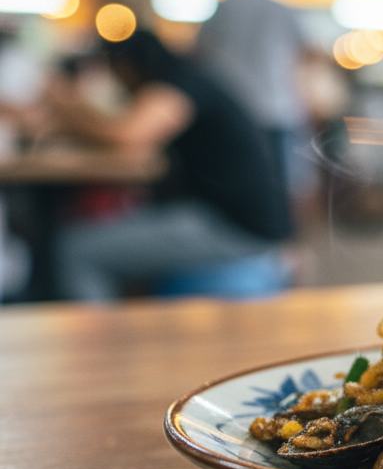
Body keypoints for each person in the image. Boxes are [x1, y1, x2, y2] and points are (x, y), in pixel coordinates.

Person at [46, 31, 292, 300]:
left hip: (236, 226)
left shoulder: (179, 85)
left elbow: (126, 137)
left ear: (127, 65)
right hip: (224, 214)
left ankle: (98, 341)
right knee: (105, 227)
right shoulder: (191, 77)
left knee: (77, 250)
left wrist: (67, 109)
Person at [195, 0, 309, 202]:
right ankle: (282, 238)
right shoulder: (278, 6)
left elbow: (198, 54)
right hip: (277, 107)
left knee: (237, 184)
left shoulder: (222, 7)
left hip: (235, 109)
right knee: (282, 184)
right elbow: (306, 51)